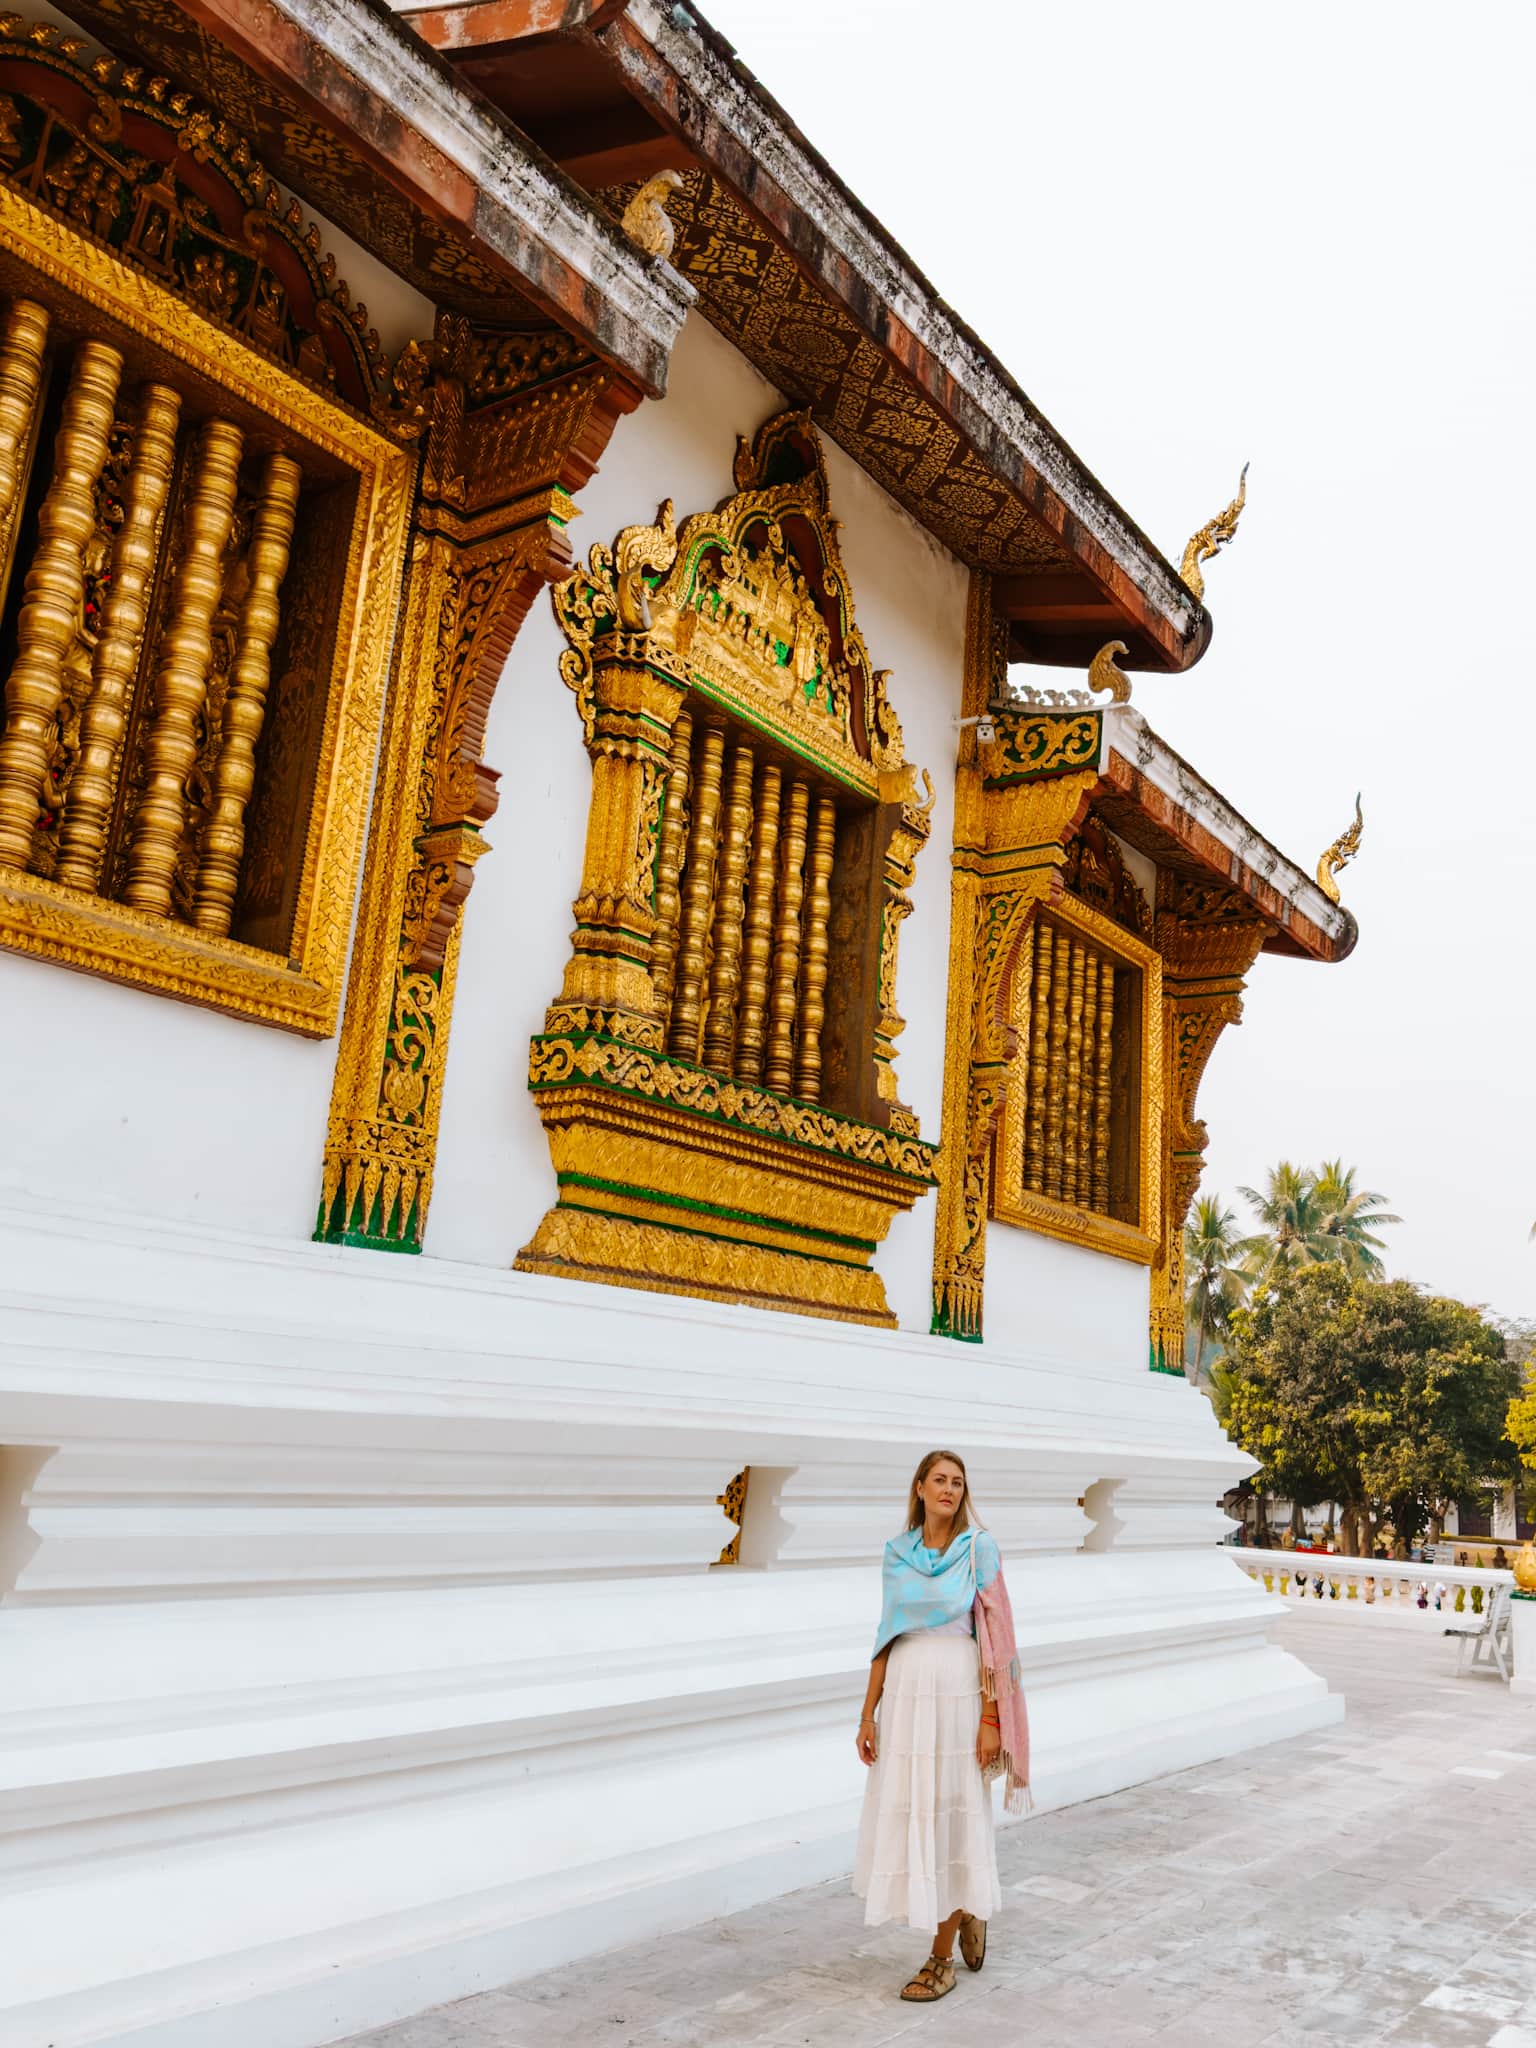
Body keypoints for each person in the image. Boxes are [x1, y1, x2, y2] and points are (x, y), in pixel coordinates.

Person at [853, 1449, 1029, 2003]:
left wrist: (991, 1718)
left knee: (953, 1813)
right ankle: (967, 1907)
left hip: (958, 1695)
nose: (949, 1490)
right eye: (940, 1481)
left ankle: (939, 1959)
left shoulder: (979, 1549)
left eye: (958, 1482)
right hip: (906, 1696)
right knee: (916, 1810)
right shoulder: (896, 1554)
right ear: (921, 1488)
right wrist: (867, 1713)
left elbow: (996, 1640)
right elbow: (886, 1634)